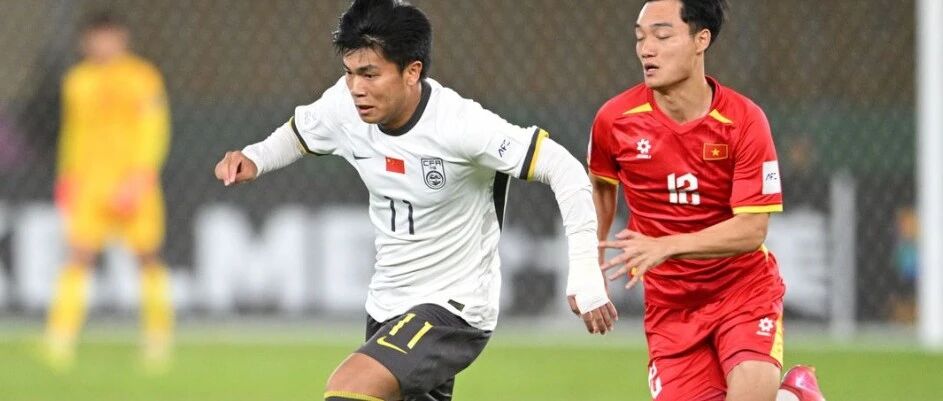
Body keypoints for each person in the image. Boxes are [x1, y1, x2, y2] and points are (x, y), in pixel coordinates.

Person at [213, 1, 616, 400]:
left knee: (350, 386)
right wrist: (255, 158)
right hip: (386, 304)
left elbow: (563, 168)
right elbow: (300, 132)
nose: (356, 88)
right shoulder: (345, 104)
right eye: (349, 72)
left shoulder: (460, 125)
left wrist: (584, 271)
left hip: (453, 307)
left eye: (370, 74)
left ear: (412, 72)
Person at [589, 1, 825, 400]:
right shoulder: (614, 120)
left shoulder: (744, 121)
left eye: (662, 36)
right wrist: (589, 264)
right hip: (671, 308)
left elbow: (752, 229)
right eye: (640, 38)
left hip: (742, 291)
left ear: (701, 40)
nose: (647, 49)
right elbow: (601, 187)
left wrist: (666, 245)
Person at [45, 12, 173, 372]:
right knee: (79, 255)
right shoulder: (76, 81)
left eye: (109, 37)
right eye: (96, 38)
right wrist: (66, 176)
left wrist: (140, 177)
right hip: (90, 183)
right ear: (85, 42)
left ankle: (158, 338)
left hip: (133, 180)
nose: (103, 45)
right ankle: (59, 338)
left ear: (123, 39)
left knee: (147, 256)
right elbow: (72, 133)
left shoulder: (142, 77)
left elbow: (154, 130)